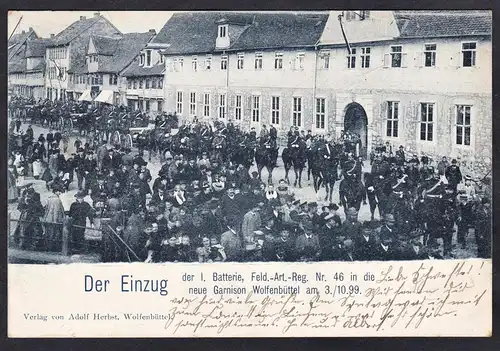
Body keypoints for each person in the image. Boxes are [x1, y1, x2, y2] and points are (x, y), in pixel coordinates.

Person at [42, 184, 66, 252]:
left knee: (48, 234)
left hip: (48, 218)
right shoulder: (57, 200)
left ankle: (47, 247)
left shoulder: (49, 198)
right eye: (59, 192)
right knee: (54, 234)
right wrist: (55, 221)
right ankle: (52, 248)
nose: (60, 193)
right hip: (54, 220)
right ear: (56, 192)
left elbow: (45, 208)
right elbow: (56, 211)